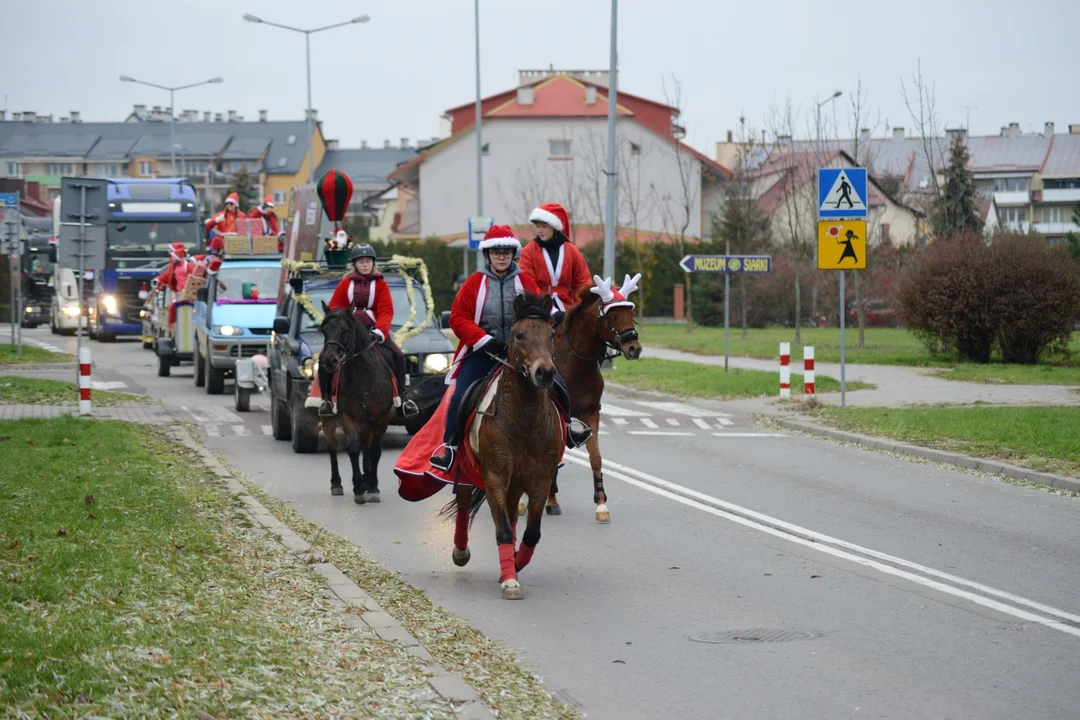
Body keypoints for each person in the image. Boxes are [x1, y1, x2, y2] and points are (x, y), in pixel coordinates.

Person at [430, 225, 592, 472]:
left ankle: (569, 428)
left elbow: (538, 313)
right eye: (496, 252)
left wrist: (553, 317)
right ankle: (450, 448)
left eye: (506, 252)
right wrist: (484, 339)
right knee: (460, 396)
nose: (502, 256)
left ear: (513, 253)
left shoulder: (524, 281)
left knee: (557, 382)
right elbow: (458, 318)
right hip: (484, 351)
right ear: (488, 255)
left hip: (521, 354)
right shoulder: (474, 283)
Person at [318, 243, 416, 417]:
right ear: (355, 264)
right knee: (323, 356)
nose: (365, 264)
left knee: (398, 355)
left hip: (373, 332)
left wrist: (380, 330)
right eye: (361, 261)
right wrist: (337, 320)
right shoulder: (345, 283)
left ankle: (403, 398)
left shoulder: (381, 285)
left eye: (368, 261)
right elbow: (334, 306)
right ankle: (326, 399)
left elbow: (386, 311)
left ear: (373, 263)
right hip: (348, 333)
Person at [519, 202, 592, 325]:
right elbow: (527, 284)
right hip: (537, 307)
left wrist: (580, 308)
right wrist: (549, 309)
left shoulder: (572, 250)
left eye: (544, 226)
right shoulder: (528, 251)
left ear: (555, 227)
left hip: (568, 305)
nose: (540, 231)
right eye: (537, 226)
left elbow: (582, 283)